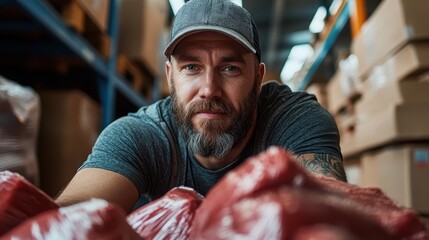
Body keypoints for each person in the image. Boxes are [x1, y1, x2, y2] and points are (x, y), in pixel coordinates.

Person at [56, 0, 346, 213]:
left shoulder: (295, 120)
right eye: (192, 67)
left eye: (230, 68)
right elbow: (70, 218)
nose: (209, 89)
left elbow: (330, 215)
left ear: (258, 80)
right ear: (171, 76)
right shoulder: (142, 135)